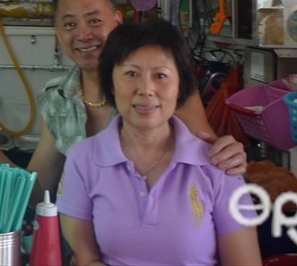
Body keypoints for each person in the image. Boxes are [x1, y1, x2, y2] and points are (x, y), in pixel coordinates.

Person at [0, 0, 246, 202]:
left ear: (117, 21)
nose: (84, 34)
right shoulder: (58, 99)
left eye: (94, 20)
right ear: (58, 34)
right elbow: (39, 193)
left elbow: (214, 163)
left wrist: (229, 154)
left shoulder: (160, 91)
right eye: (70, 25)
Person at [56, 20, 261, 266]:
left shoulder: (219, 165)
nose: (146, 89)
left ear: (180, 86)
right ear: (110, 82)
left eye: (161, 76)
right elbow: (85, 260)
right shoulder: (84, 160)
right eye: (131, 74)